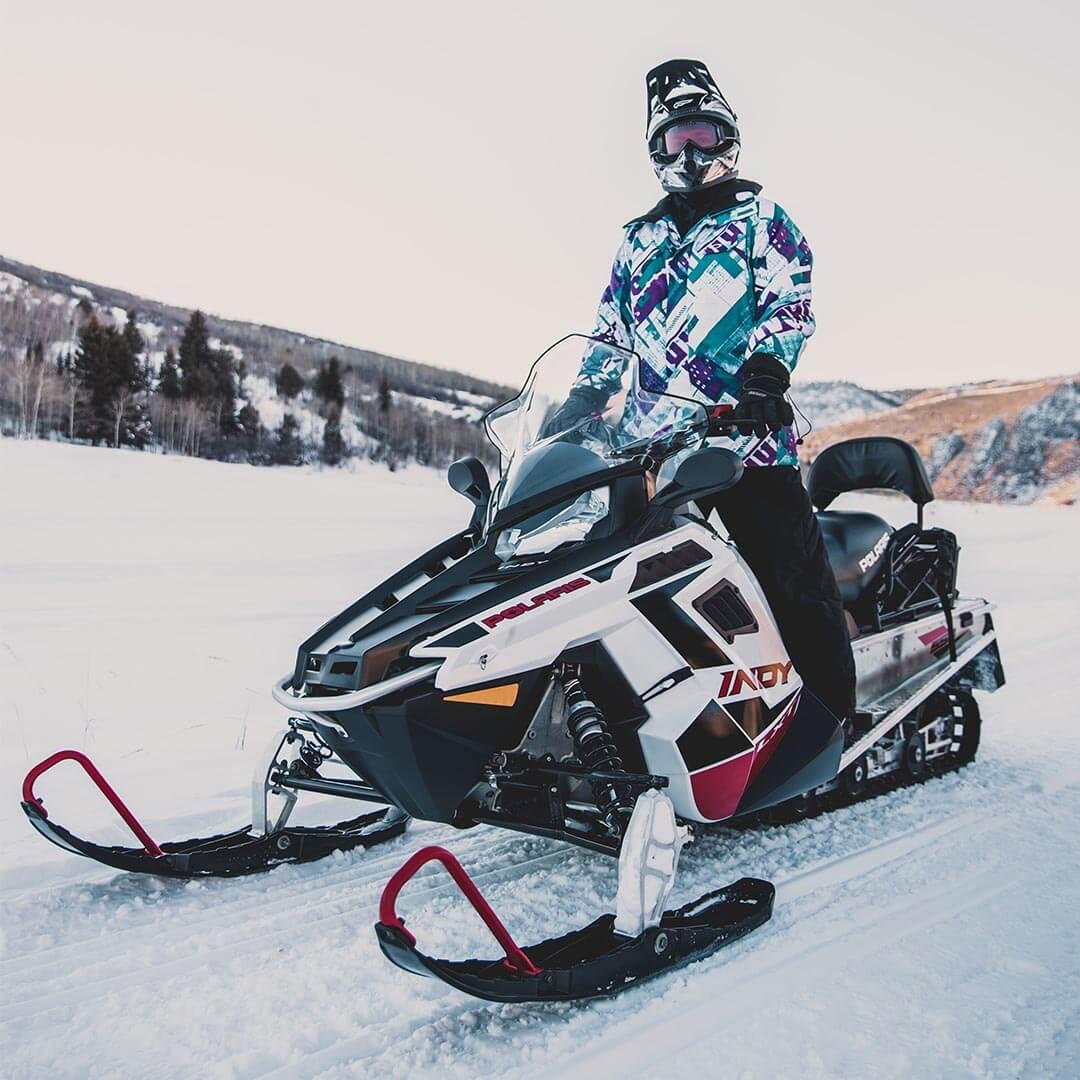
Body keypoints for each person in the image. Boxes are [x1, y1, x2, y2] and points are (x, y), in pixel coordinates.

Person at [584, 57, 855, 720]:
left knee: (790, 583)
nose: (693, 152)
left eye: (703, 134)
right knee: (618, 585)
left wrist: (766, 376)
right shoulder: (638, 242)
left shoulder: (763, 220)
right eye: (678, 139)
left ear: (728, 137)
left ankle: (828, 726)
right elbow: (608, 331)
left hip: (745, 439)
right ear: (657, 150)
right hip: (652, 451)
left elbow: (789, 304)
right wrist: (582, 399)